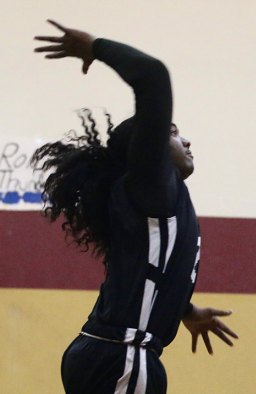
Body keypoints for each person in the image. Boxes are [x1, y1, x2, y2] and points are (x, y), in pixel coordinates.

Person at [32, 20, 237, 393]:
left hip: (108, 352)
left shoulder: (150, 204)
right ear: (149, 152)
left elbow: (143, 276)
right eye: (172, 132)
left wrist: (183, 311)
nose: (186, 140)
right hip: (122, 357)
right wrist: (95, 47)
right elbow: (154, 77)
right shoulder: (150, 186)